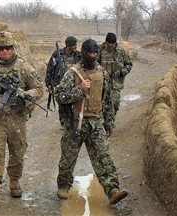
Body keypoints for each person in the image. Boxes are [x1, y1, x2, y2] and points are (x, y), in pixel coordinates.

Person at [0, 31, 44, 205]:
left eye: (8, 48)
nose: (5, 52)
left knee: (17, 153)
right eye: (1, 48)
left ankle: (14, 181)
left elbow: (39, 89)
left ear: (13, 48)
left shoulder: (24, 67)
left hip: (17, 119)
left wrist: (23, 96)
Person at [54, 39, 128, 205]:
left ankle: (112, 190)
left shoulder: (102, 74)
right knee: (68, 158)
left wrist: (109, 124)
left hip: (96, 122)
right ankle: (64, 186)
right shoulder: (72, 73)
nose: (93, 56)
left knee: (103, 157)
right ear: (84, 52)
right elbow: (60, 96)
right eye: (90, 53)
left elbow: (107, 101)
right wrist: (80, 90)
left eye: (95, 53)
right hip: (75, 123)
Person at [97, 32, 133, 130]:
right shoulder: (99, 50)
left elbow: (129, 65)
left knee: (115, 103)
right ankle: (103, 125)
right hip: (101, 83)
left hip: (115, 84)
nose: (110, 46)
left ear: (115, 43)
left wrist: (121, 72)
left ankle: (110, 121)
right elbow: (93, 65)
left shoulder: (121, 51)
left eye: (112, 44)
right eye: (108, 44)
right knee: (101, 104)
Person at [45, 36, 82, 125]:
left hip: (74, 85)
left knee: (75, 104)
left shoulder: (78, 56)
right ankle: (64, 122)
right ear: (68, 45)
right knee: (62, 105)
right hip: (60, 84)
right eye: (74, 45)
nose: (76, 47)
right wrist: (48, 83)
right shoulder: (57, 55)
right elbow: (50, 69)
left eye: (76, 45)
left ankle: (73, 121)